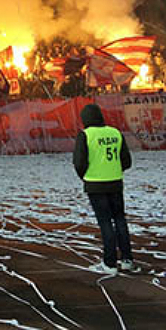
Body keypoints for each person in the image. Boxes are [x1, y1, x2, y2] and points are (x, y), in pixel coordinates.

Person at [73, 103, 140, 275]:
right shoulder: (115, 133)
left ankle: (110, 263)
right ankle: (127, 259)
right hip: (116, 183)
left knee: (105, 223)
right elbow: (126, 161)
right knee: (120, 220)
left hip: (95, 184)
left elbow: (79, 162)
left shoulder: (85, 135)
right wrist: (114, 171)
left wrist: (86, 177)